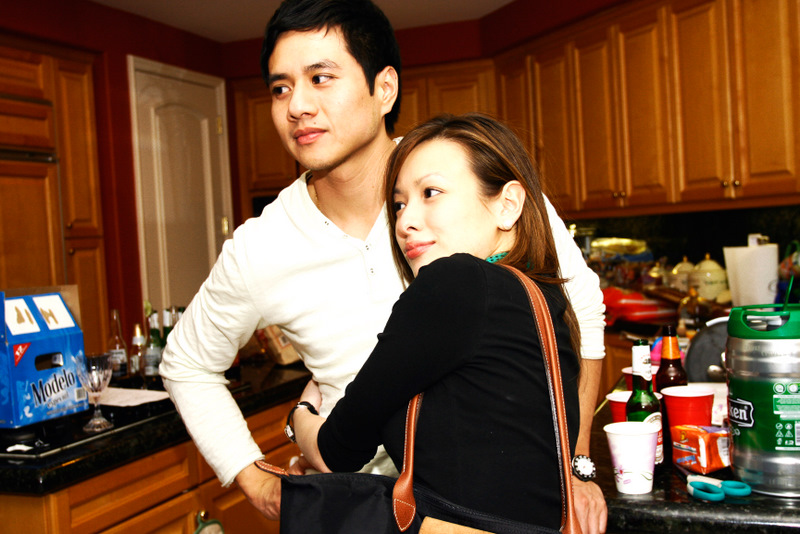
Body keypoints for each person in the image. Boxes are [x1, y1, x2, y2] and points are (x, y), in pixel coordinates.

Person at [159, 0, 607, 532]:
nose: (297, 105)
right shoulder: (260, 247)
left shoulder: (470, 185)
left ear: (384, 88)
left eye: (320, 78)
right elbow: (186, 363)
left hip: (486, 508)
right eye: (280, 88)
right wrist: (253, 479)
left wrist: (573, 463)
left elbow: (579, 307)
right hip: (359, 509)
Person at [291, 112, 581, 530]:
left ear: (507, 204)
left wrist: (300, 415)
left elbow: (335, 451)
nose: (404, 222)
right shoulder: (542, 297)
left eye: (431, 192)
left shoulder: (456, 283)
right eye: (399, 204)